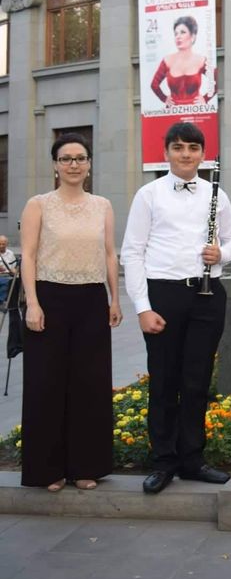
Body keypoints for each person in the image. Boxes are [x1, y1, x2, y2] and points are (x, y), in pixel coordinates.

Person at [121, 121, 231, 494]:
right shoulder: (148, 194)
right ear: (166, 152)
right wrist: (143, 307)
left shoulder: (217, 194)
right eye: (178, 148)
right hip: (163, 295)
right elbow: (132, 252)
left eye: (192, 148)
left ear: (202, 154)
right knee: (163, 381)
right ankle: (163, 462)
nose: (186, 154)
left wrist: (222, 253)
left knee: (196, 381)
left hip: (206, 296)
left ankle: (192, 460)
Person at [19, 132, 122, 491]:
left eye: (80, 158)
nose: (74, 164)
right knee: (46, 384)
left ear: (89, 164)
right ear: (55, 165)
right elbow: (28, 256)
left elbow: (109, 254)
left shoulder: (102, 206)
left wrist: (114, 298)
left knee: (89, 385)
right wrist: (33, 303)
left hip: (91, 299)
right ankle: (48, 470)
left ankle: (86, 466)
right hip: (49, 299)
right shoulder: (38, 205)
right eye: (66, 159)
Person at [149, 16, 215, 106]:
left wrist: (205, 98)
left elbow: (216, 80)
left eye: (183, 32)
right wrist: (164, 98)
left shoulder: (201, 60)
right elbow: (154, 84)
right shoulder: (167, 61)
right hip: (174, 111)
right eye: (176, 34)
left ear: (192, 36)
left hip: (196, 111)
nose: (178, 37)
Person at [0, 235, 17, 307]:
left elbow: (14, 267)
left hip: (8, 275)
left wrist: (15, 272)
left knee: (12, 281)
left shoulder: (10, 253)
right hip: (1, 275)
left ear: (6, 244)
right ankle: (1, 301)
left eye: (3, 244)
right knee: (5, 282)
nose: (1, 246)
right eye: (0, 244)